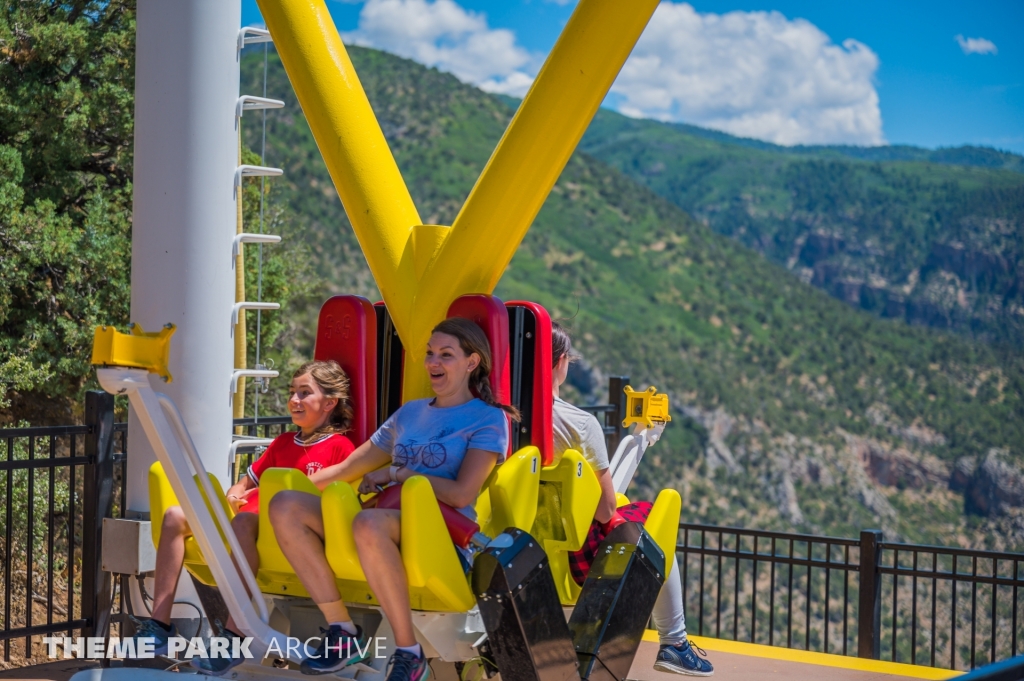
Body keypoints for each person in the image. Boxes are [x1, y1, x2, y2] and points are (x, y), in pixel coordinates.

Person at [269, 317, 517, 680]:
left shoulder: (487, 419)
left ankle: (409, 652)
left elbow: (461, 493)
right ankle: (343, 631)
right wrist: (264, 491)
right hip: (380, 523)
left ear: (472, 362)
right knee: (285, 505)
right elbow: (347, 469)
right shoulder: (410, 413)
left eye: (446, 354)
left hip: (441, 537)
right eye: (430, 353)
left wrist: (397, 474)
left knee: (369, 522)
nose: (433, 362)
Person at [129, 360, 357, 676]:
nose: (294, 400)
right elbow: (244, 484)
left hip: (276, 531)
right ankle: (159, 624)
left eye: (305, 393)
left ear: (330, 403)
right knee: (174, 516)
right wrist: (234, 495)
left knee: (243, 523)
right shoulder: (282, 443)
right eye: (292, 392)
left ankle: (232, 638)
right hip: (245, 521)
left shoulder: (340, 448)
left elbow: (335, 503)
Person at [550, 322, 714, 677]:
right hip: (576, 557)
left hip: (524, 546)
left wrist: (638, 440)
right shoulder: (579, 424)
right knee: (653, 525)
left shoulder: (498, 419)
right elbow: (605, 509)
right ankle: (675, 642)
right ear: (561, 362)